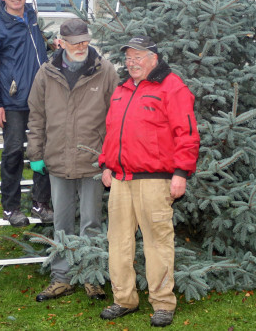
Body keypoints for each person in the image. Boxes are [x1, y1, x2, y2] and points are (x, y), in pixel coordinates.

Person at [98, 36, 199, 328]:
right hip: (120, 180)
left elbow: (188, 133)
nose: (132, 64)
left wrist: (181, 173)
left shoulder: (172, 87)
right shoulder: (122, 89)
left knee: (157, 244)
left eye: (138, 57)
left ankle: (163, 304)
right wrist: (106, 163)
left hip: (155, 180)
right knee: (118, 242)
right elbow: (112, 129)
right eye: (128, 58)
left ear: (154, 58)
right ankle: (124, 300)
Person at [26, 18, 119, 302]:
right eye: (75, 42)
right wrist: (36, 154)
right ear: (61, 43)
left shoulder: (105, 72)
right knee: (61, 223)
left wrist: (110, 159)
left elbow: (117, 118)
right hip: (57, 160)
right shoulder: (46, 73)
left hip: (93, 162)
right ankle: (62, 278)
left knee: (91, 222)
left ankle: (92, 277)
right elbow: (37, 115)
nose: (82, 46)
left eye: (85, 41)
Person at [0, 0, 52, 227]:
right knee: (12, 153)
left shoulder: (33, 20)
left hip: (41, 100)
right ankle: (11, 208)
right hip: (11, 102)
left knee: (43, 152)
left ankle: (40, 202)